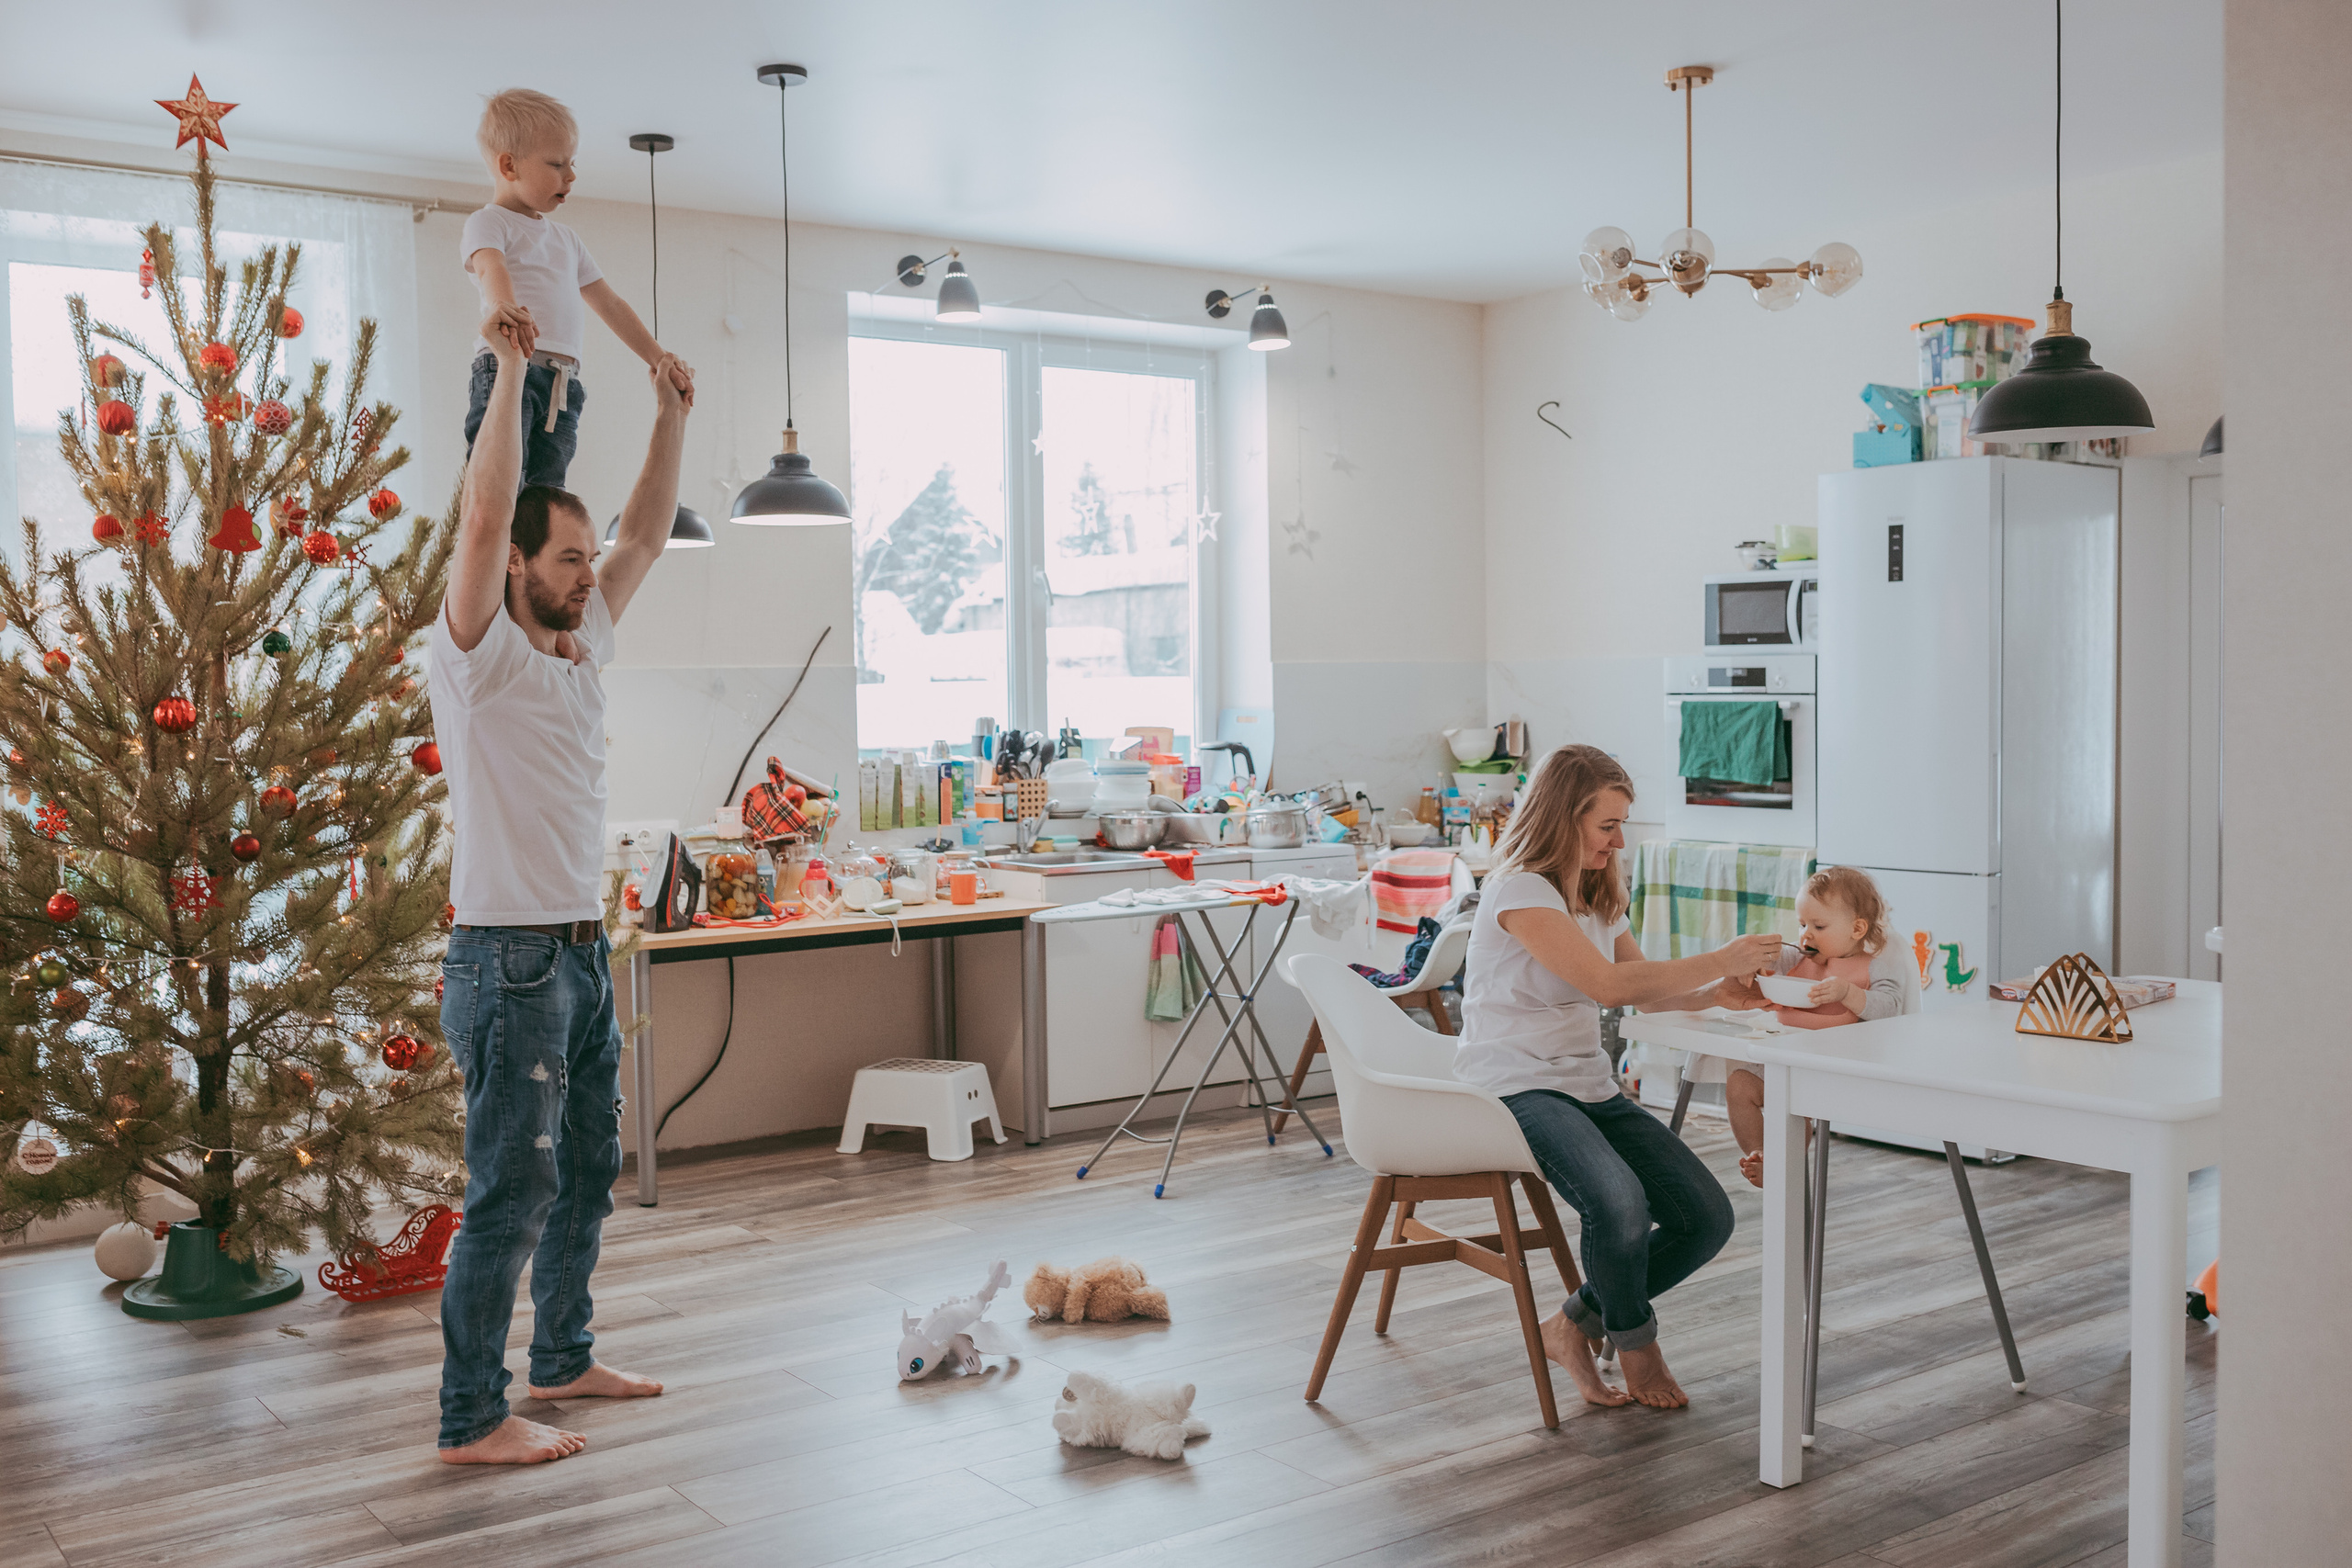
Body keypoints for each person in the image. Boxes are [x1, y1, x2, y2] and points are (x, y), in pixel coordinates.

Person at [427, 307, 689, 1465]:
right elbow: (485, 509)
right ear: (520, 566)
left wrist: (672, 416)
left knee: (585, 1175)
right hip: (508, 960)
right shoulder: (477, 656)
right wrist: (516, 374)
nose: (590, 574)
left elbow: (645, 536)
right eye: (567, 558)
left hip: (580, 956)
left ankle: (564, 1359)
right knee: (510, 1197)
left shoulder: (586, 651)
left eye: (589, 559)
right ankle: (471, 1418)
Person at [1455, 744, 1775, 1410]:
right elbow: (1605, 983)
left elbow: (1646, 993)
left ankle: (1571, 1324)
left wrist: (1719, 990)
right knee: (1620, 1204)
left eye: (1622, 823)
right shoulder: (1520, 889)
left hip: (1588, 1085)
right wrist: (1718, 955)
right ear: (1563, 817)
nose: (1619, 839)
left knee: (1707, 1217)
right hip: (1516, 1085)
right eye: (1608, 825)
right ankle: (1637, 1346)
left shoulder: (1597, 892)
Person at [461, 88, 693, 490]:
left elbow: (610, 303)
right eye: (556, 164)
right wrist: (505, 309)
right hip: (508, 370)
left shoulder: (566, 240)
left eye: (573, 164)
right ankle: (500, 548)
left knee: (549, 493)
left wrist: (658, 358)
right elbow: (491, 267)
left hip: (563, 383)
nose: (570, 176)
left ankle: (533, 552)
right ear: (509, 165)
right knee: (501, 482)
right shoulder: (489, 223)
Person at [1713, 865, 1915, 1188]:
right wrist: (1757, 964)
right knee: (1740, 1084)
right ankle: (1763, 1155)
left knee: (1795, 1107)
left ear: (1857, 928)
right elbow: (1768, 964)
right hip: (1786, 1057)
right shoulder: (1797, 959)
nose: (1806, 935)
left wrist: (1849, 993)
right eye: (1802, 924)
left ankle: (1781, 1159)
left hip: (1837, 1069)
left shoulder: (1875, 967)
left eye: (1819, 926)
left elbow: (1891, 1010)